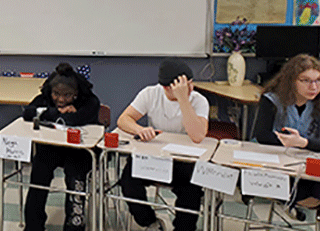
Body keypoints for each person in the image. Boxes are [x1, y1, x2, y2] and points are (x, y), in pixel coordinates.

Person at [116, 58, 208, 231]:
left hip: (184, 161)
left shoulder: (198, 100)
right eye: (183, 86)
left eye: (190, 84)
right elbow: (123, 119)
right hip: (156, 158)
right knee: (128, 181)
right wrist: (138, 129)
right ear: (167, 88)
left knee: (191, 192)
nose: (190, 89)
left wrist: (183, 100)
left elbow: (197, 136)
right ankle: (150, 222)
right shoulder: (150, 93)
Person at [254, 54, 320, 218]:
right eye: (305, 80)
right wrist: (289, 143)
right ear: (291, 81)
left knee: (319, 187)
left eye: (319, 80)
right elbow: (262, 135)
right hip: (278, 160)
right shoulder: (273, 98)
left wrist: (303, 142)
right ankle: (289, 202)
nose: (314, 86)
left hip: (312, 161)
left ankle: (289, 202)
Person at [21, 63, 100, 231]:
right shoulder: (46, 97)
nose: (61, 99)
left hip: (80, 151)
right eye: (56, 94)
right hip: (52, 147)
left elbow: (76, 119)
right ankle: (33, 226)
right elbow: (27, 113)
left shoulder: (90, 101)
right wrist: (57, 113)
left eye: (67, 95)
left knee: (75, 178)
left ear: (77, 94)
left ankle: (74, 226)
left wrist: (46, 114)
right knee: (39, 173)